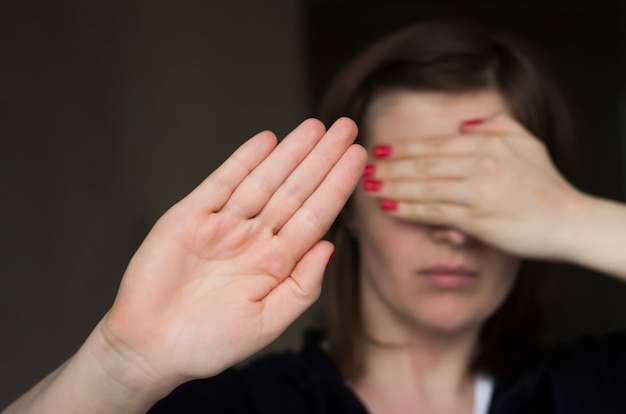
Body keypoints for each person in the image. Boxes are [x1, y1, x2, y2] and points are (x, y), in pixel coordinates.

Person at [4, 20, 626, 414]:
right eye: (415, 187)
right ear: (346, 205)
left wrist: (573, 219)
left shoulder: (597, 390)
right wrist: (123, 365)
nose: (454, 230)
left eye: (486, 192)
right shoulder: (244, 405)